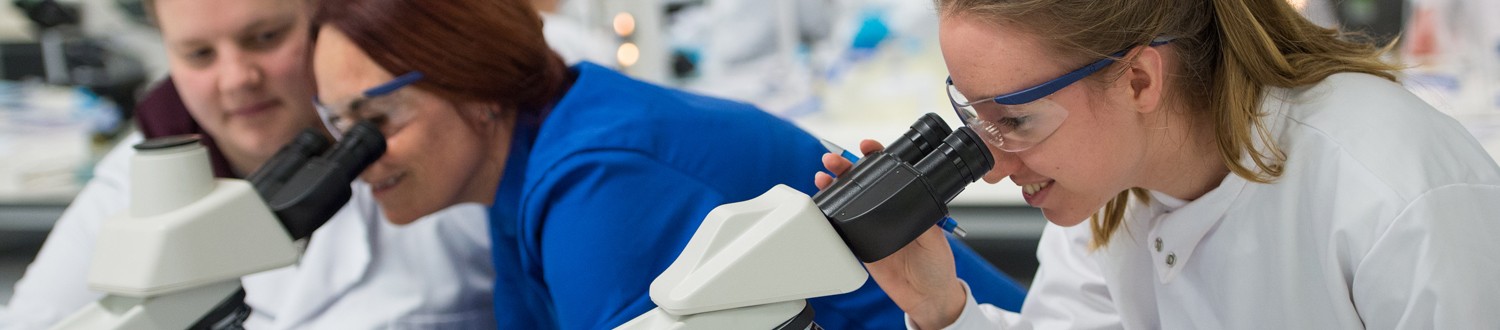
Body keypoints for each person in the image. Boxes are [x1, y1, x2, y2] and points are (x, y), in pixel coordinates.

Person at [308, 0, 1025, 328]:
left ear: (473, 84)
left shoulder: (600, 179)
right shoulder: (526, 171)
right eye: (338, 127)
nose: (358, 159)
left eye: (374, 123)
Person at [815, 0, 1500, 328]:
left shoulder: (1394, 192)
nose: (992, 166)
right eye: (972, 116)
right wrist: (939, 306)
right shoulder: (1110, 188)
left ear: (1140, 81)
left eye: (1014, 122)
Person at [0, 0, 495, 328]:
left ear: (324, 22)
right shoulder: (129, 190)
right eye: (198, 54)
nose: (237, 78)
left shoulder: (440, 144)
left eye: (265, 38)